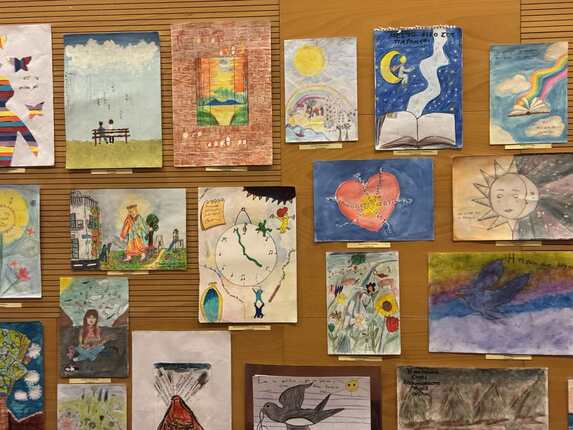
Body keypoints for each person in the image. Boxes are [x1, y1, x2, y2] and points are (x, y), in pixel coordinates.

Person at [0, 74, 39, 166]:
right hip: (5, 160)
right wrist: (36, 151)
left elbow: (27, 136)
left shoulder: (11, 117)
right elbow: (28, 136)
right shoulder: (12, 117)